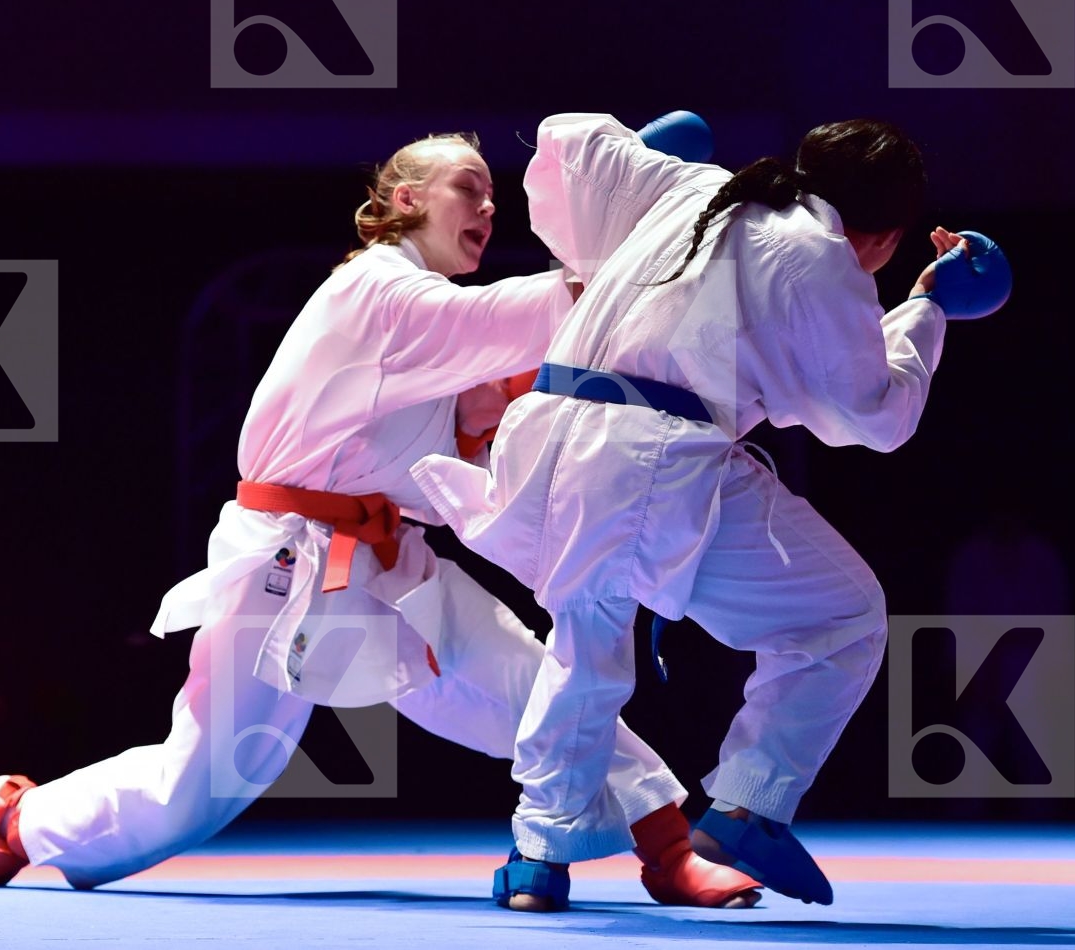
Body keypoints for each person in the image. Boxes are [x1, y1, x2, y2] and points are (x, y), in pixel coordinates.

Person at [0, 129, 761, 908]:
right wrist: (636, 241)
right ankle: (20, 819)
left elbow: (477, 405)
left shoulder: (426, 317)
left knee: (536, 679)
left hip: (386, 562)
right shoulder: (378, 289)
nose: (488, 209)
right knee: (206, 783)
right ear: (407, 198)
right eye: (468, 189)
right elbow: (509, 323)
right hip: (290, 562)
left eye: (493, 196)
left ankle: (670, 852)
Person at [410, 113, 1009, 906]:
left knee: (585, 643)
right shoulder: (824, 262)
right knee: (842, 617)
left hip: (551, 436)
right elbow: (872, 416)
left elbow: (567, 140)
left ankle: (537, 858)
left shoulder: (698, 186)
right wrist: (928, 308)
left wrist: (644, 145)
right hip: (651, 460)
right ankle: (749, 807)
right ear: (886, 236)